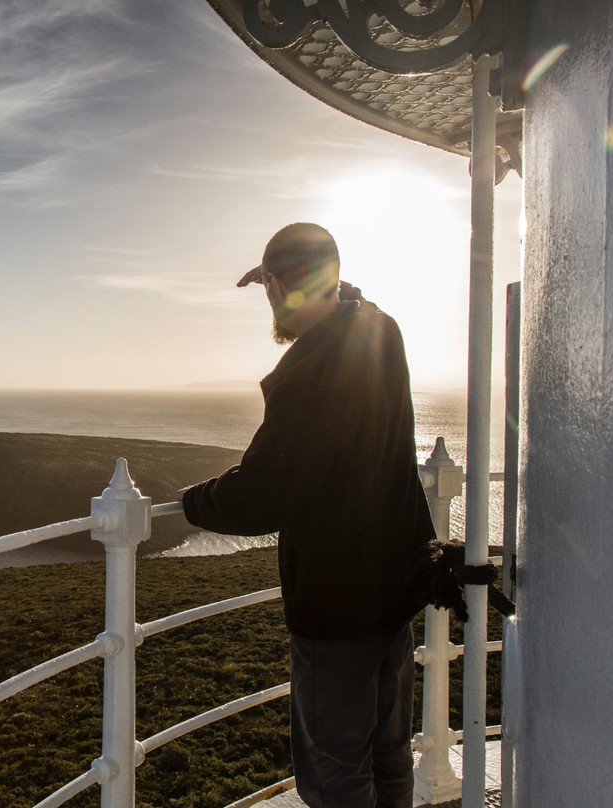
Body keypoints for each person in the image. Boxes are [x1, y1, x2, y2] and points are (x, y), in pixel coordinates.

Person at [177, 223, 435, 808]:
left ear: (274, 286)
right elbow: (353, 301)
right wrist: (306, 279)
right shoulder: (380, 330)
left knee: (335, 770)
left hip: (338, 602)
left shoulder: (309, 373)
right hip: (394, 587)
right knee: (388, 753)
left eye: (269, 288)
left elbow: (265, 492)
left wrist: (194, 502)